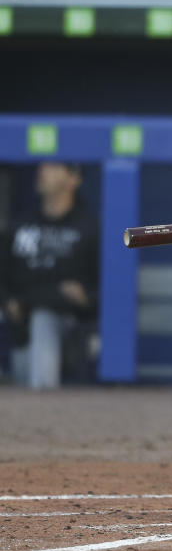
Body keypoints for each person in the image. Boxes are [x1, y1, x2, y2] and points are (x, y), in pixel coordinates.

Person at [0, 162, 99, 389]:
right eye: (42, 165)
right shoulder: (21, 226)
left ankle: (44, 400)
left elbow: (104, 289)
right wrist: (8, 301)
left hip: (70, 328)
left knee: (43, 318)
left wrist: (86, 298)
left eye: (54, 166)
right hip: (20, 323)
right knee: (35, 321)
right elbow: (3, 276)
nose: (43, 171)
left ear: (74, 179)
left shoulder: (89, 228)